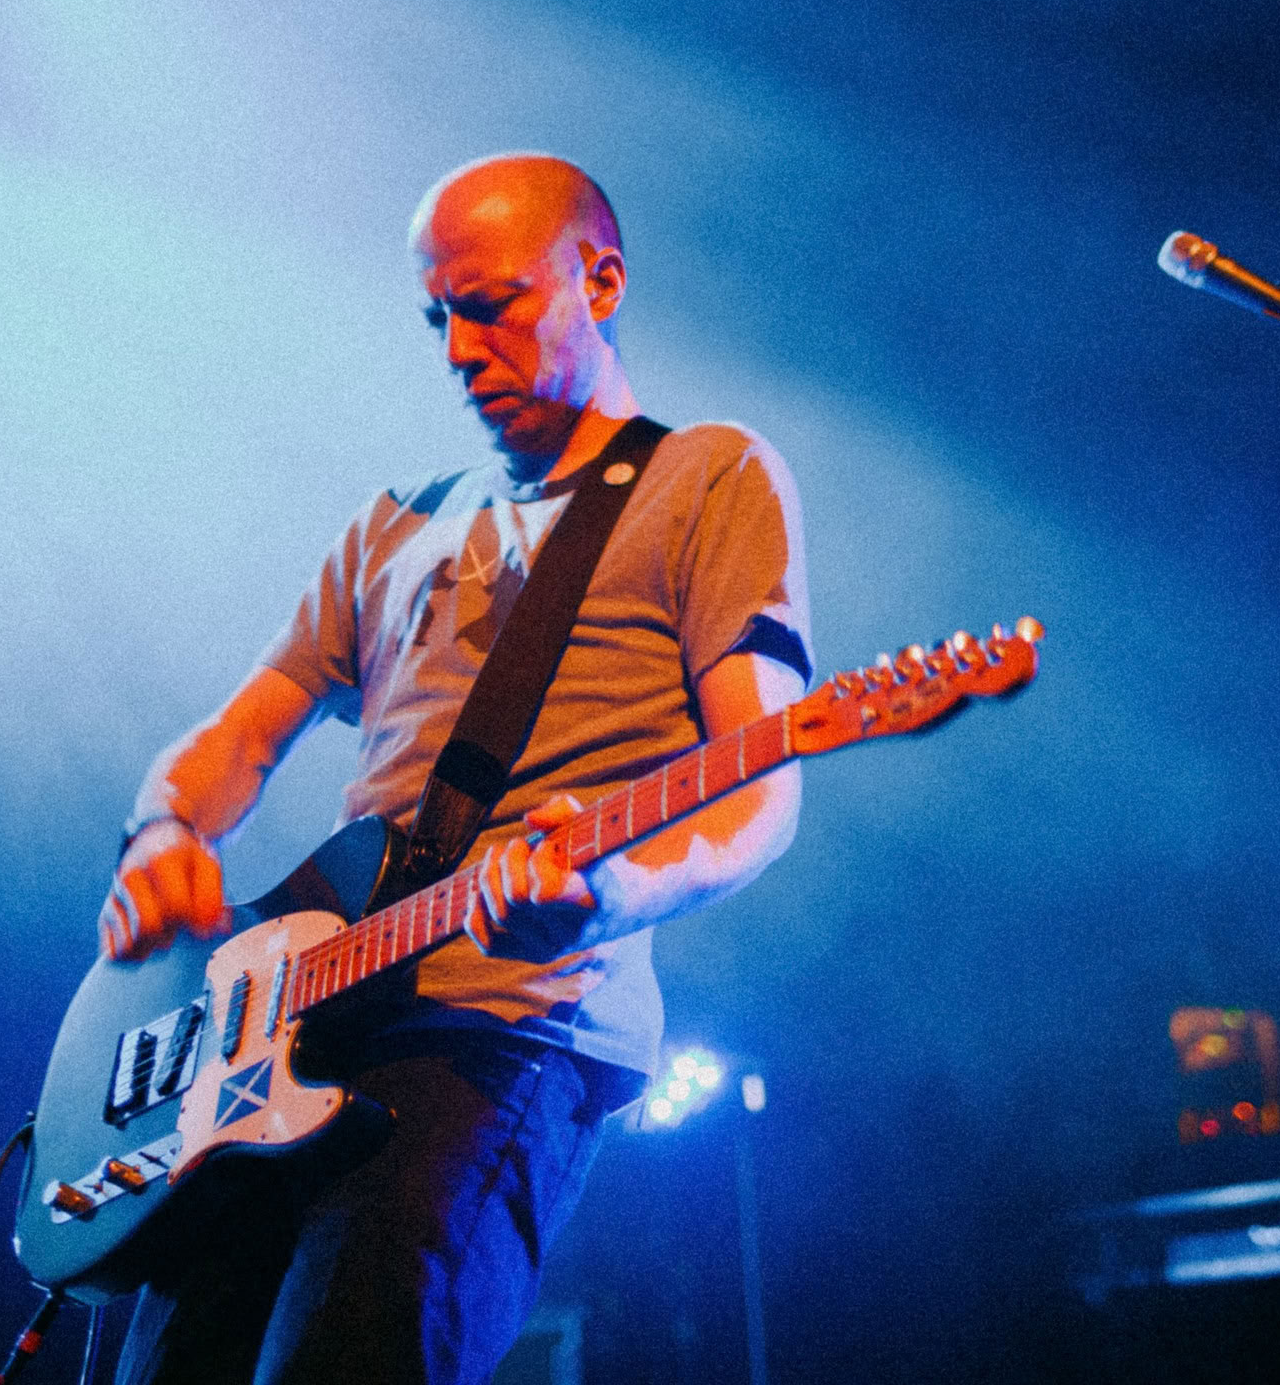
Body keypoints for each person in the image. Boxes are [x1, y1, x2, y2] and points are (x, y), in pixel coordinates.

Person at [100, 154, 811, 1384]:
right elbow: (237, 736)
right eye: (439, 317)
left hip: (506, 1029)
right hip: (296, 1034)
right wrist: (165, 829)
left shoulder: (710, 476)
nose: (458, 349)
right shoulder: (396, 520)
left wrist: (615, 892)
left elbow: (762, 785)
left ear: (600, 278)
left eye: (493, 305)